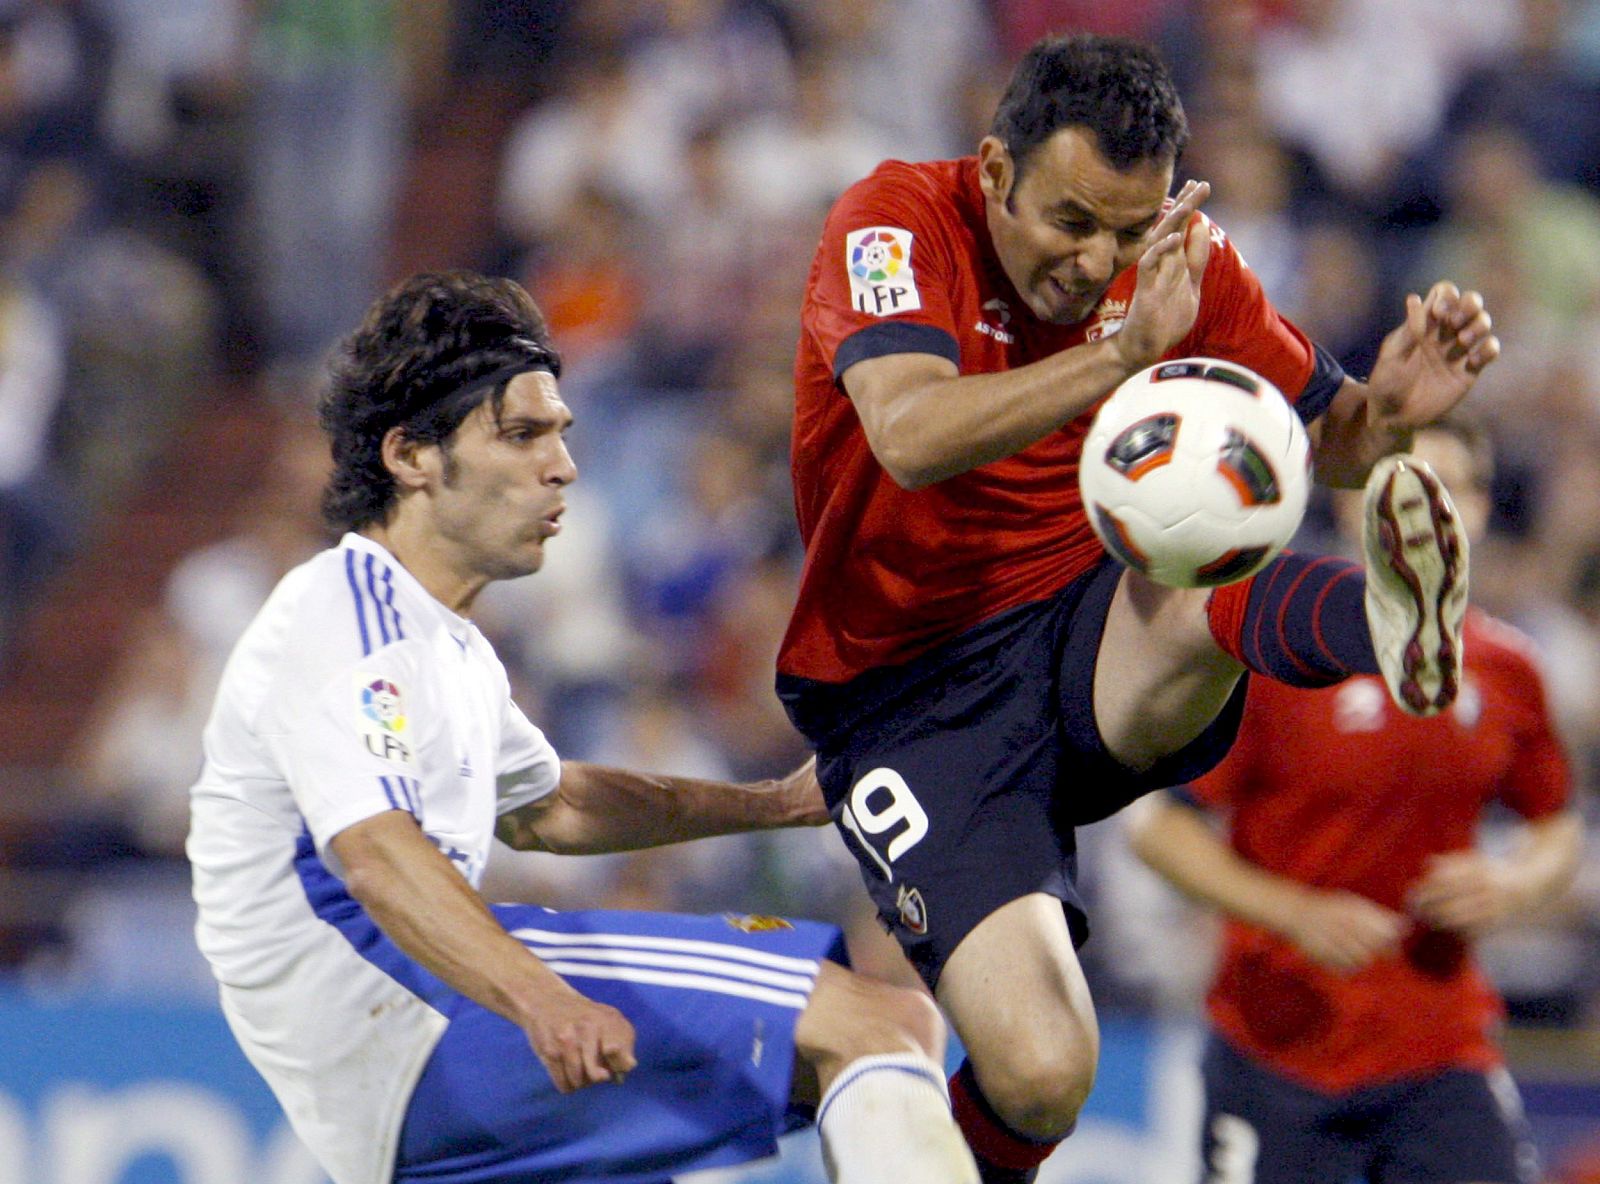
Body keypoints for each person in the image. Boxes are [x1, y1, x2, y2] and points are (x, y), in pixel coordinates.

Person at [776, 31, 1499, 1183]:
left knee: (1196, 532)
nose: (1096, 258)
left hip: (1085, 632)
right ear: (996, 171)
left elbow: (1332, 440)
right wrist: (1123, 353)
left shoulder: (1178, 263)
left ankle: (1389, 626)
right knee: (1043, 1067)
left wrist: (1395, 409)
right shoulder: (894, 220)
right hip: (902, 695)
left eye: (1127, 228)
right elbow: (908, 435)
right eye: (1072, 223)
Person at [186, 270, 981, 1184]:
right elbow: (373, 854)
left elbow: (551, 808)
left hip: (385, 1077)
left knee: (835, 1059)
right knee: (884, 1025)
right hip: (404, 1003)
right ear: (410, 456)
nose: (561, 465)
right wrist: (539, 997)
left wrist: (773, 805)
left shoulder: (449, 647)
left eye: (560, 434)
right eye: (522, 435)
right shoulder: (345, 613)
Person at [1126, 417, 1584, 1184]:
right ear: (1352, 508)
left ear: (1478, 508)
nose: (1430, 515)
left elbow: (1557, 825)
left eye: (1450, 491)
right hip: (1275, 1043)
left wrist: (1514, 882)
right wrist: (1293, 911)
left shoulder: (1511, 669)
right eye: (1406, 491)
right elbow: (1161, 831)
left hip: (1438, 1047)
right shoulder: (1274, 657)